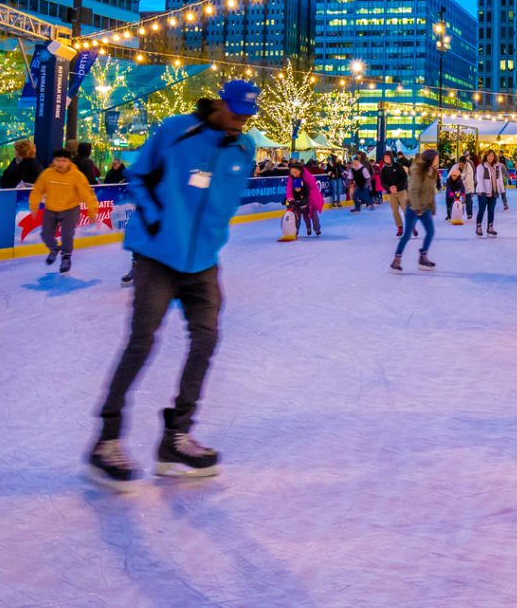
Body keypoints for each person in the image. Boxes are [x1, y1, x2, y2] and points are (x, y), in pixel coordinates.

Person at [88, 80, 259, 490]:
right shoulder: (175, 130)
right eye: (234, 113)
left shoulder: (244, 148)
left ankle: (176, 436)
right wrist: (157, 220)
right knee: (142, 341)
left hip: (203, 262)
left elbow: (226, 200)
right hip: (158, 256)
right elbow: (140, 175)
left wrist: (212, 235)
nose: (239, 123)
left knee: (207, 339)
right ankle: (106, 440)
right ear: (218, 103)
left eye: (246, 116)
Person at [28, 148, 97, 273]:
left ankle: (66, 256)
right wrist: (34, 206)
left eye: (64, 160)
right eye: (57, 160)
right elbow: (37, 190)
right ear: (53, 161)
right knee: (46, 235)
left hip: (70, 209)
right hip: (51, 208)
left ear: (69, 161)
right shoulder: (47, 174)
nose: (60, 163)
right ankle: (54, 248)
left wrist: (92, 210)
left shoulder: (77, 176)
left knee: (67, 235)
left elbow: (87, 194)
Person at [390, 149, 439, 272]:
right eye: (436, 158)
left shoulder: (433, 172)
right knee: (407, 234)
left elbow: (431, 191)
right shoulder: (417, 171)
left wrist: (432, 207)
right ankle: (396, 259)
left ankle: (423, 257)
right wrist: (417, 208)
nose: (438, 160)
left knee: (431, 232)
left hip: (426, 208)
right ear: (430, 159)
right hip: (413, 207)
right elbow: (413, 191)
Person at [282, 163, 323, 239]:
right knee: (296, 215)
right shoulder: (291, 178)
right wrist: (289, 198)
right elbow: (289, 189)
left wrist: (307, 198)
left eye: (295, 172)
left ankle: (317, 229)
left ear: (300, 171)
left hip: (310, 198)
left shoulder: (307, 177)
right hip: (297, 200)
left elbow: (312, 189)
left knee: (313, 214)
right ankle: (295, 231)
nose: (293, 174)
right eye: (292, 172)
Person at [474, 149, 505, 237]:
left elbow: (500, 180)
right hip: (483, 192)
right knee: (482, 210)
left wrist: (502, 191)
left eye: (492, 155)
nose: (490, 157)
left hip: (493, 192)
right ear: (485, 156)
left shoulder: (497, 167)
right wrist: (483, 191)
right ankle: (479, 226)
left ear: (494, 157)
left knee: (491, 210)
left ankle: (490, 227)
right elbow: (479, 180)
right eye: (488, 155)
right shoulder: (481, 167)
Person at [380, 151, 408, 237]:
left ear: (391, 157)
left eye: (388, 157)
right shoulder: (384, 169)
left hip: (401, 192)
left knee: (405, 209)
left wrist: (397, 187)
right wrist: (389, 188)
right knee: (395, 211)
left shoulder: (398, 166)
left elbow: (404, 178)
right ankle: (400, 227)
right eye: (385, 158)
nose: (386, 159)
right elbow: (383, 182)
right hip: (391, 194)